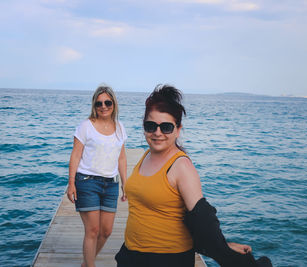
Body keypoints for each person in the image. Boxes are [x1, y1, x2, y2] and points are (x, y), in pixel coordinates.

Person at [115, 84, 272, 267]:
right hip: (133, 255)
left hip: (165, 259)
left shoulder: (181, 166)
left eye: (166, 127)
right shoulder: (146, 155)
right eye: (150, 126)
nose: (157, 133)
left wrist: (223, 247)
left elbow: (203, 220)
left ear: (178, 129)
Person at [67, 84, 127, 267]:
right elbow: (76, 155)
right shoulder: (86, 126)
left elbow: (122, 157)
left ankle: (86, 264)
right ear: (94, 105)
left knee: (106, 231)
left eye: (107, 102)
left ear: (113, 104)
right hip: (87, 182)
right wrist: (71, 183)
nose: (103, 106)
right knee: (92, 230)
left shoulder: (120, 127)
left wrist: (126, 184)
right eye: (99, 103)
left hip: (111, 184)